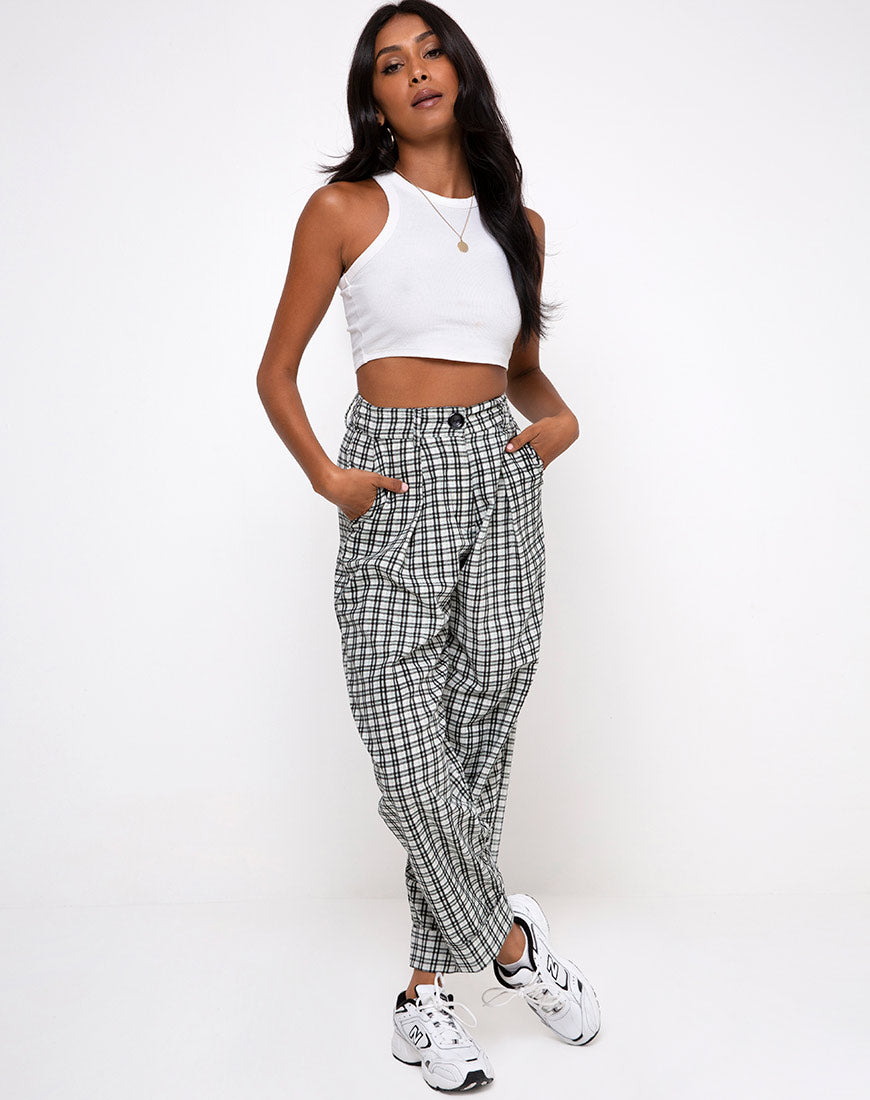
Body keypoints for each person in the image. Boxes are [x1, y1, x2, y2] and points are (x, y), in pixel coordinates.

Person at [256, 1, 600, 1090]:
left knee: (478, 724)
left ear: (461, 69)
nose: (415, 71)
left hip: (498, 469)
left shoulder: (517, 224)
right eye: (390, 64)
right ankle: (510, 940)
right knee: (408, 752)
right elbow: (275, 370)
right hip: (393, 474)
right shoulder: (346, 208)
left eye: (431, 50)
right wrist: (328, 475)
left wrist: (559, 421)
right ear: (374, 98)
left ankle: (423, 998)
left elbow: (518, 368)